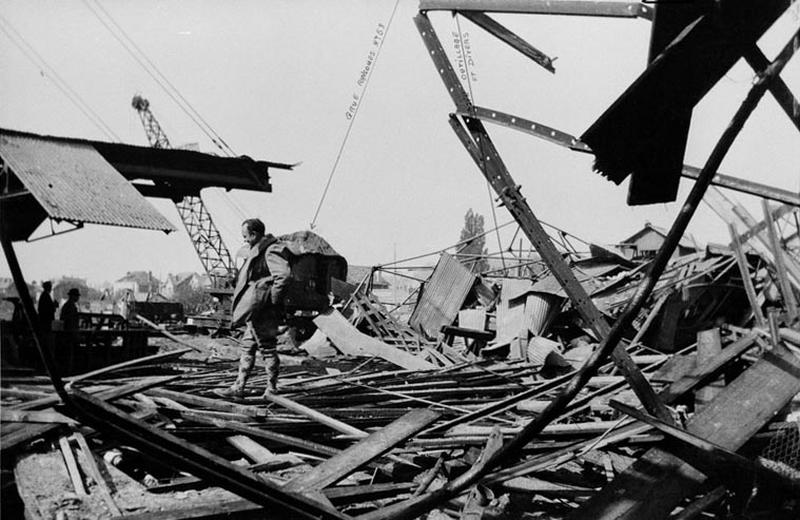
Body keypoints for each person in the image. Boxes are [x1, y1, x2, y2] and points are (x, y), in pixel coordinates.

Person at [215, 218, 291, 399]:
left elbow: (283, 276)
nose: (245, 240)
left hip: (264, 310)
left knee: (267, 348)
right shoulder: (257, 250)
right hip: (255, 309)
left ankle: (272, 389)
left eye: (246, 236)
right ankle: (238, 387)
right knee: (247, 346)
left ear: (255, 234)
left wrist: (272, 300)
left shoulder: (272, 250)